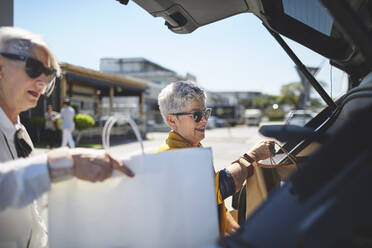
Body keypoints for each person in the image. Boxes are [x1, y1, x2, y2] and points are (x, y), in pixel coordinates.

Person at [0, 26, 134, 248]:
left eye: (49, 73)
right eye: (33, 67)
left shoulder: (19, 131)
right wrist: (63, 165)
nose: (43, 82)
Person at [157, 81, 275, 236]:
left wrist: (237, 234)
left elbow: (216, 206)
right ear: (172, 120)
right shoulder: (171, 154)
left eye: (205, 113)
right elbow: (217, 189)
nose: (204, 120)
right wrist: (253, 156)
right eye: (196, 115)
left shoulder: (195, 148)